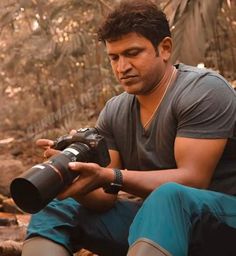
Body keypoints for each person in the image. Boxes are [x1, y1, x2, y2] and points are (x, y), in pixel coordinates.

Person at [21, 0, 236, 256]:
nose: (122, 67)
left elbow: (194, 180)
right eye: (114, 57)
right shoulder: (115, 110)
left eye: (133, 53)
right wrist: (73, 179)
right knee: (55, 204)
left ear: (165, 48)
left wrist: (113, 177)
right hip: (161, 228)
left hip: (223, 223)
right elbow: (104, 198)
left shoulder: (203, 90)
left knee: (169, 197)